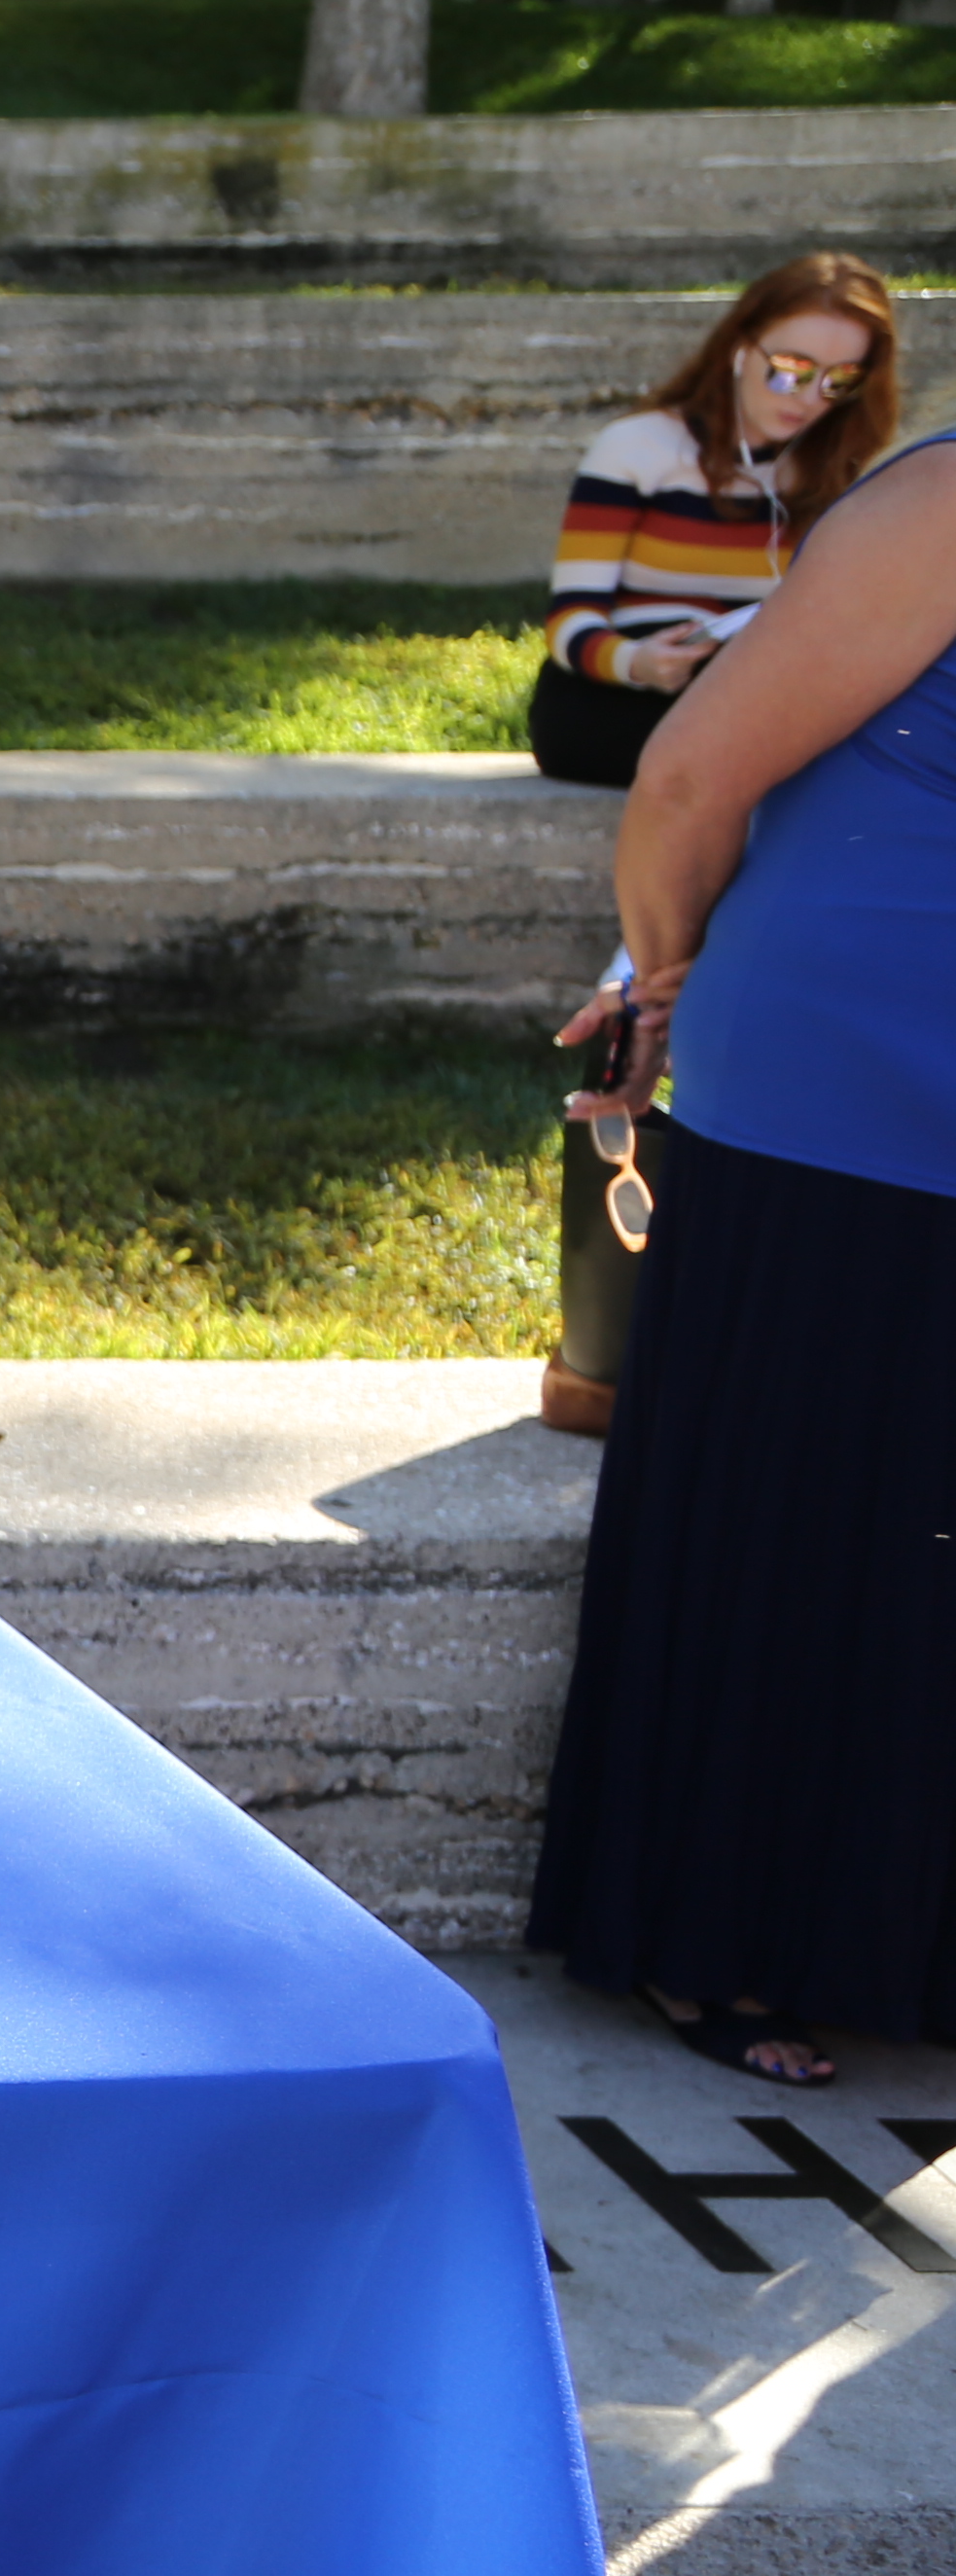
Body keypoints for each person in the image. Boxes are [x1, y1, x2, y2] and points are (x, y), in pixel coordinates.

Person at [531, 421, 956, 2088]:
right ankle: (713, 1940)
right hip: (837, 1086)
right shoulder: (937, 505)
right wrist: (649, 987)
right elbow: (691, 777)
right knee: (798, 1507)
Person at [532, 254, 902, 791]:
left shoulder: (841, 470)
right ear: (739, 346)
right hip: (621, 690)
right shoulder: (640, 448)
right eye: (790, 369)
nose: (807, 398)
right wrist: (639, 662)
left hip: (759, 692)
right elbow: (569, 620)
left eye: (838, 381)